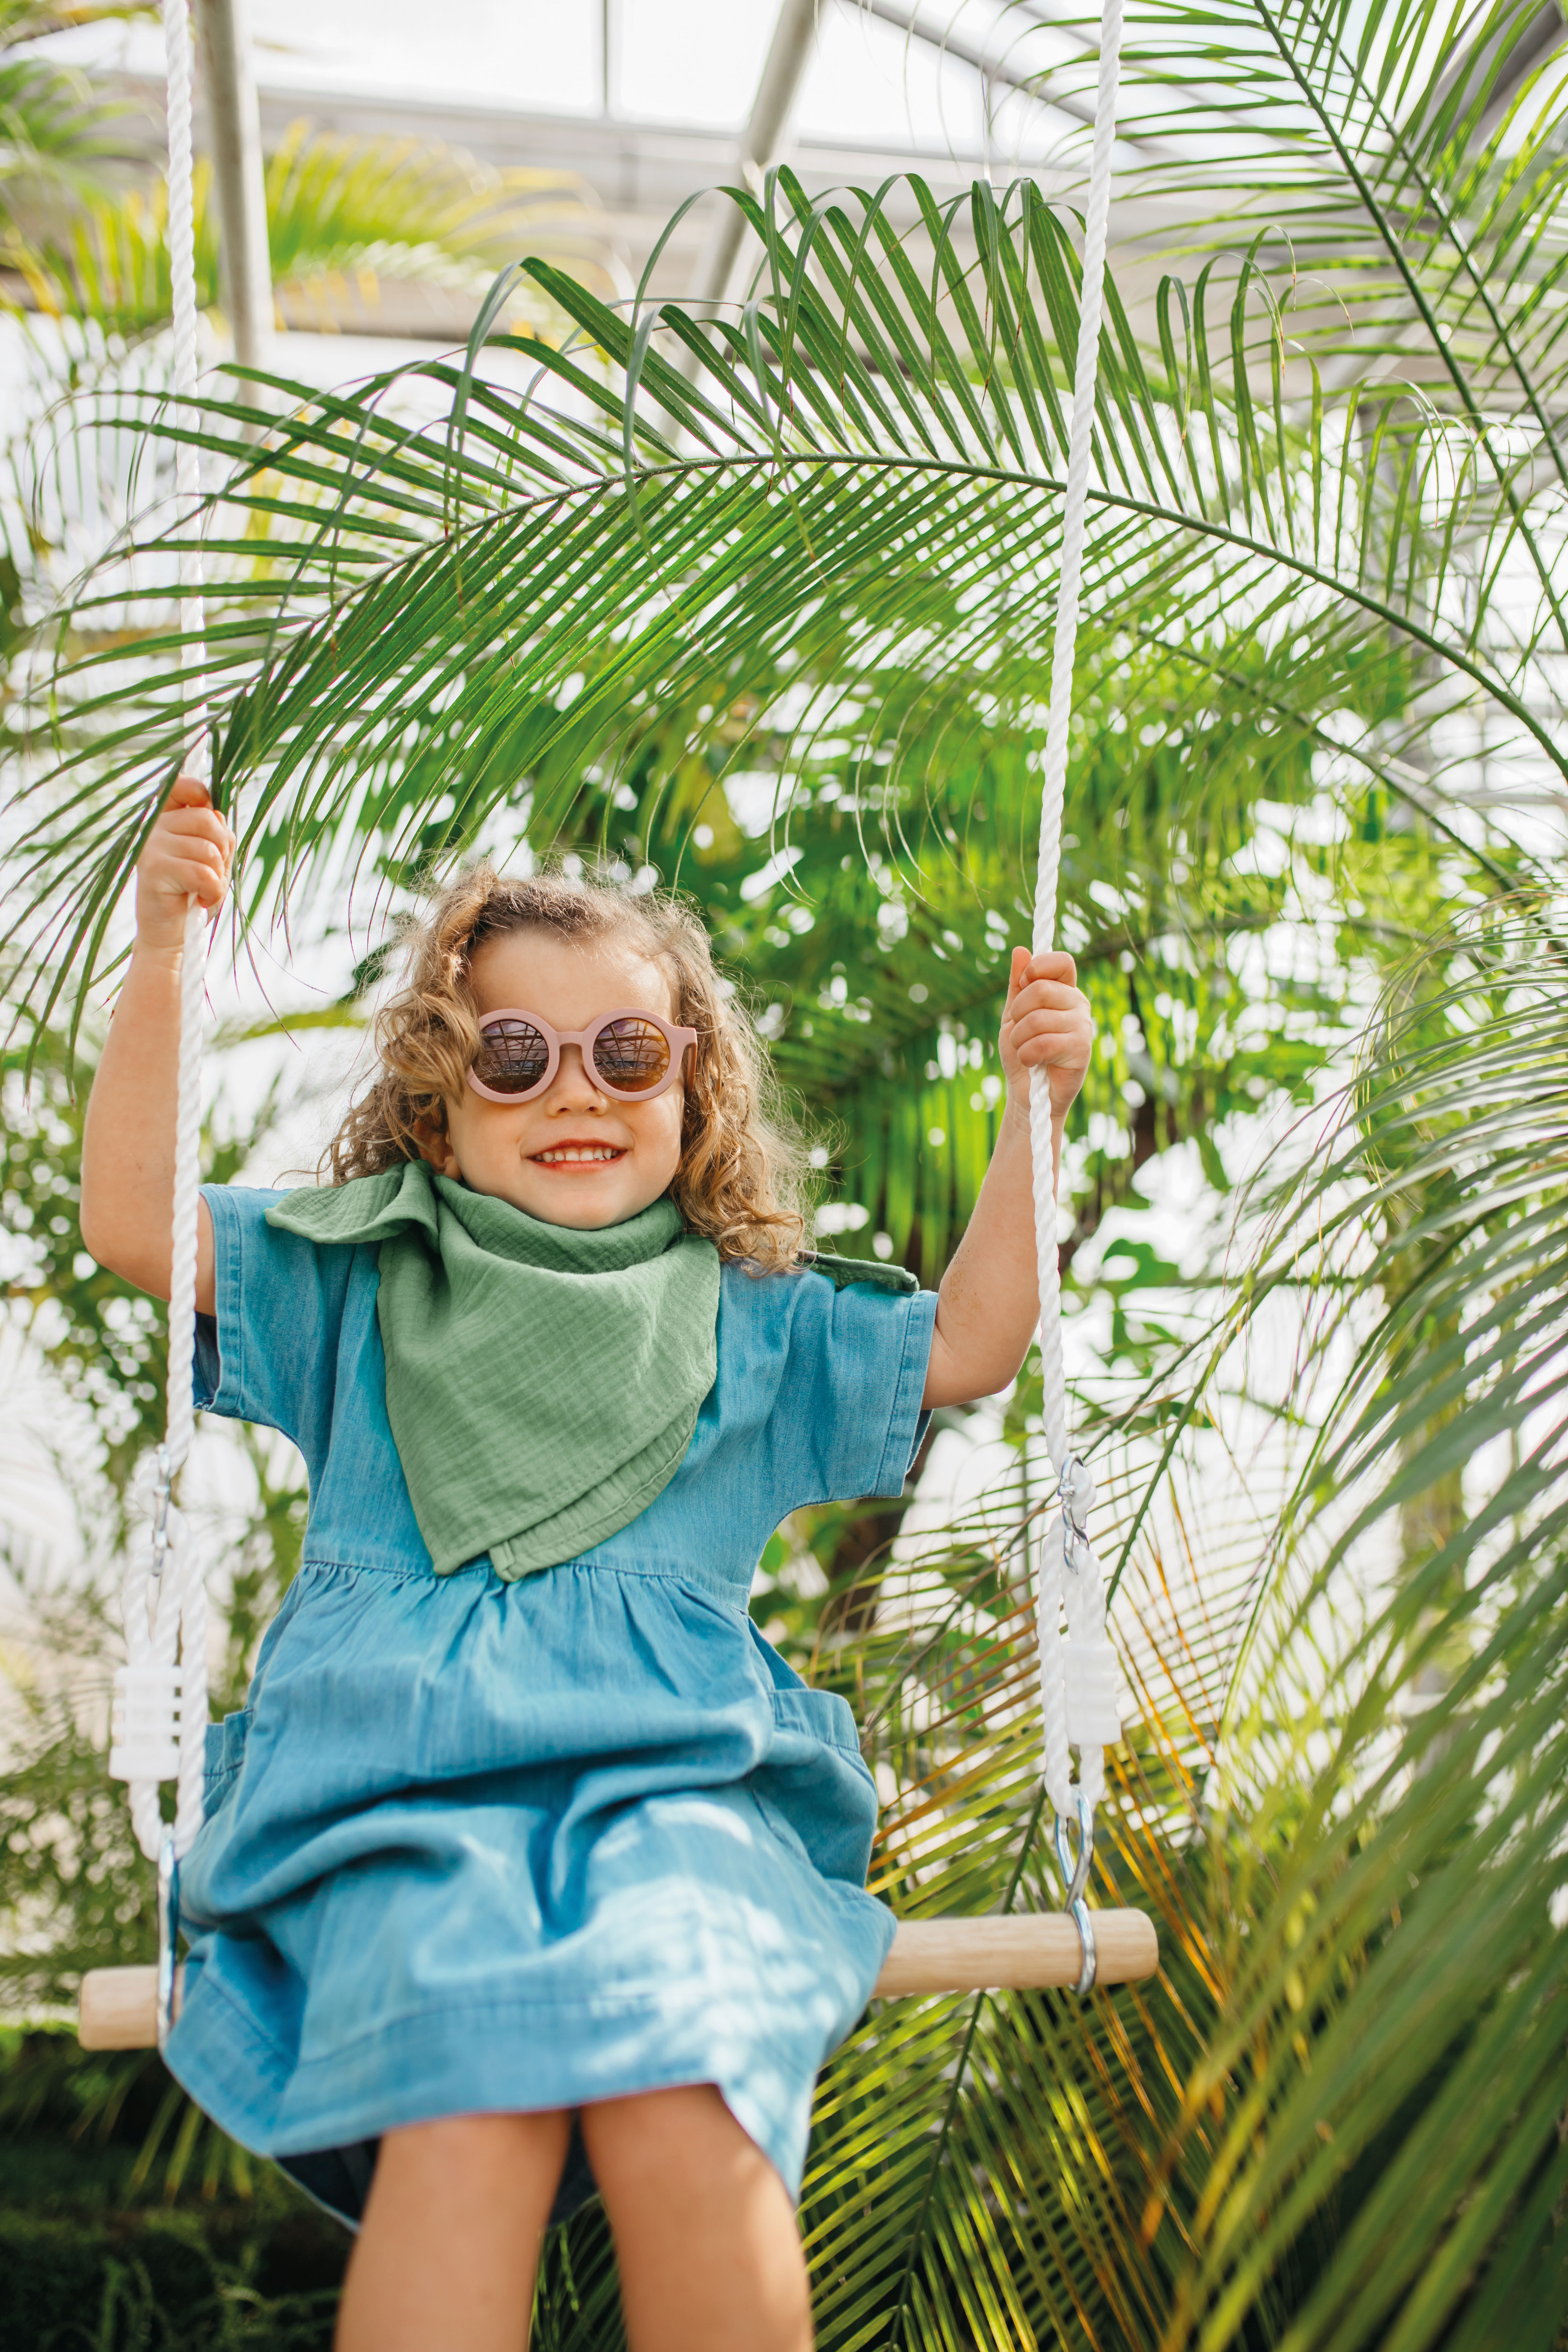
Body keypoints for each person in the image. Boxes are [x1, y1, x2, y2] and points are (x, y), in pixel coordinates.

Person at [80, 775, 1093, 2352]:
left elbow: (966, 1342)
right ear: (437, 1098)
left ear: (693, 1089)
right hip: (395, 1799)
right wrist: (160, 958)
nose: (578, 1092)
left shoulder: (749, 1320)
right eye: (513, 1054)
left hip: (676, 1797)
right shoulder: (356, 1282)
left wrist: (1039, 1114)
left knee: (688, 2080)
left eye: (629, 1054)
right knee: (463, 2094)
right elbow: (139, 1225)